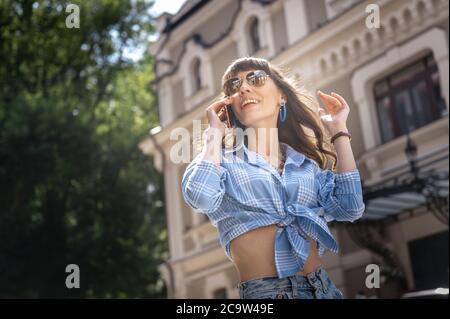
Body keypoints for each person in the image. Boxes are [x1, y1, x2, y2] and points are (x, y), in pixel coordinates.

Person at [181, 57, 365, 299]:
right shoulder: (220, 161)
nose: (244, 87)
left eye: (255, 78)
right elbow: (201, 196)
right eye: (234, 86)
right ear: (229, 106)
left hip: (323, 290)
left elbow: (350, 208)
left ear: (282, 96)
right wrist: (214, 134)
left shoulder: (305, 165)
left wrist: (339, 131)